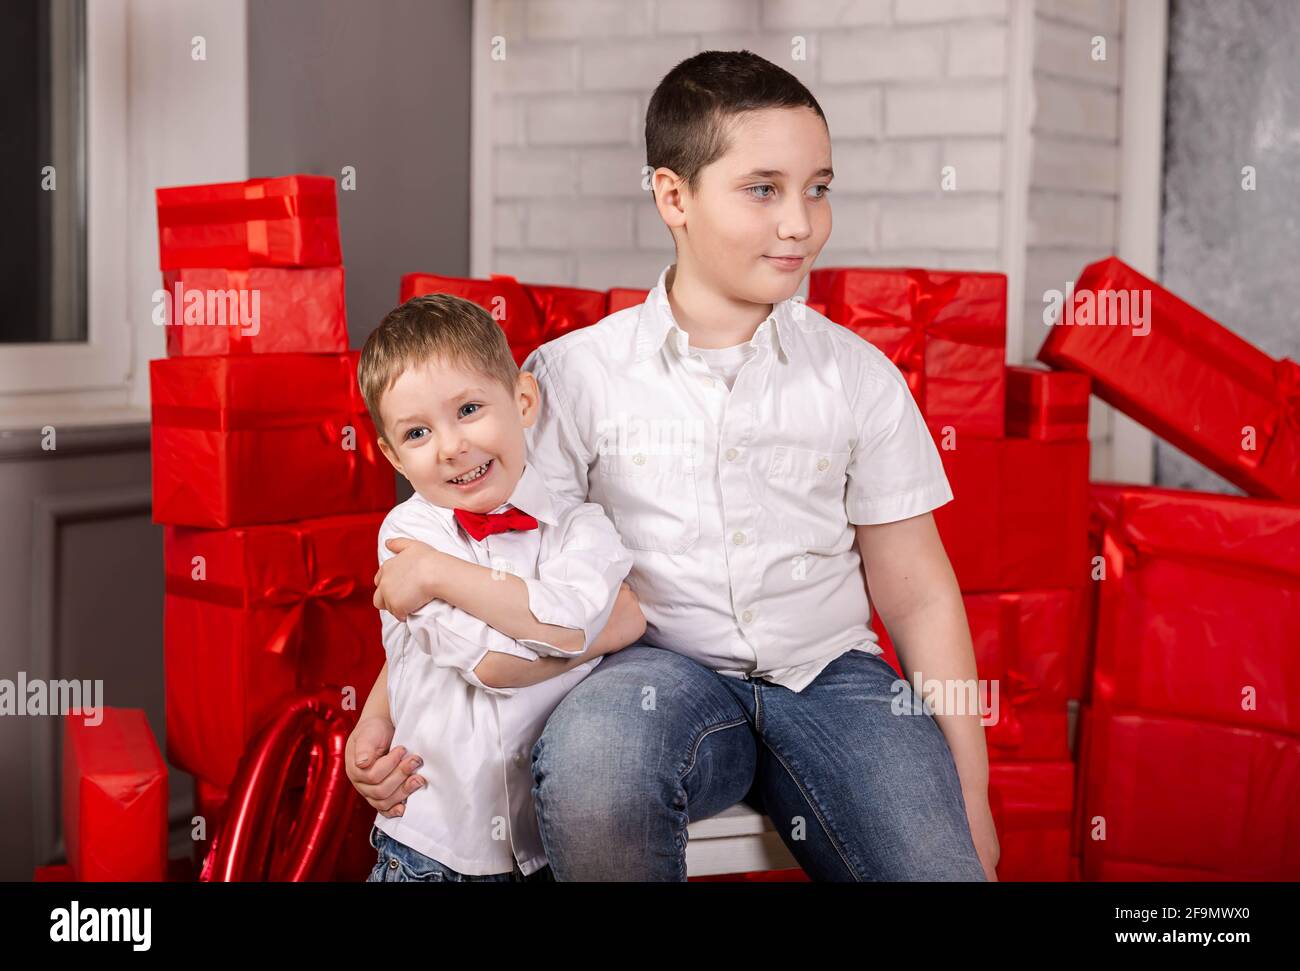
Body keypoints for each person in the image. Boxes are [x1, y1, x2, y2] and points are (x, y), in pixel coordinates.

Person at [350, 49, 998, 881]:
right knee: (596, 767)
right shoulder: (573, 376)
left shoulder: (857, 375)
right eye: (763, 189)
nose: (800, 221)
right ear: (673, 196)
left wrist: (969, 796)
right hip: (656, 670)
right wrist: (387, 705)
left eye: (819, 187)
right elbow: (487, 550)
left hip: (832, 677)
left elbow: (920, 592)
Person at [353, 293, 644, 881]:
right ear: (393, 457)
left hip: (544, 846)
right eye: (416, 433)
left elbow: (572, 628)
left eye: (468, 410)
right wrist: (606, 631)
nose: (451, 446)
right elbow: (494, 663)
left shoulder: (579, 526)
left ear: (523, 400)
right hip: (432, 842)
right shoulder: (406, 536)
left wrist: (442, 574)